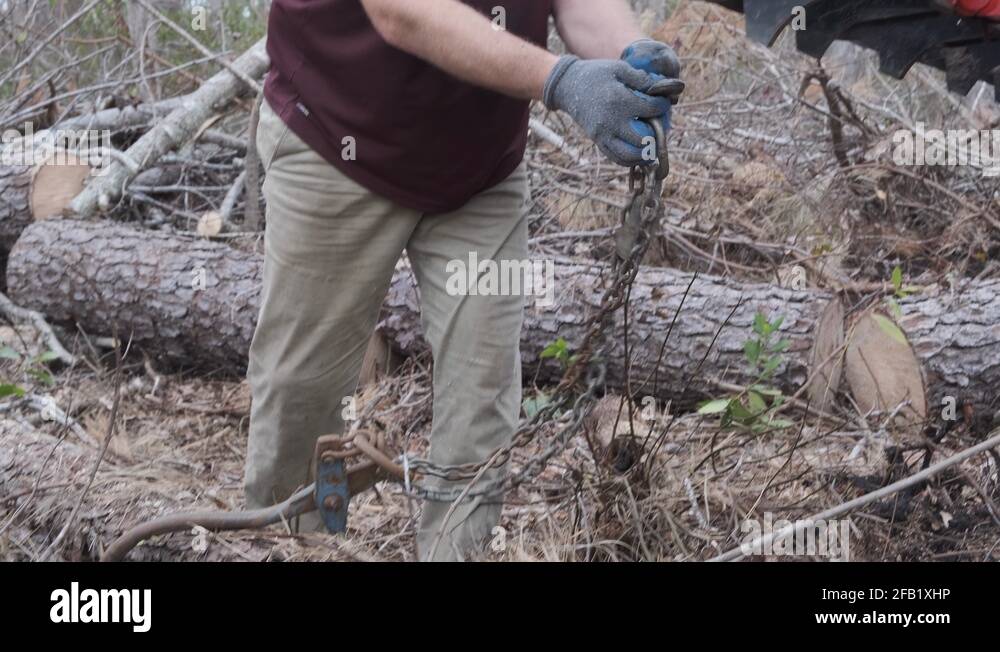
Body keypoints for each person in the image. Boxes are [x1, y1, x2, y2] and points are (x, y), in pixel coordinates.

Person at [245, 0, 682, 561]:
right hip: (334, 134)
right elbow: (401, 12)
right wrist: (563, 80)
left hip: (477, 168)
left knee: (482, 397)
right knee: (298, 392)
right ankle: (290, 547)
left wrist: (628, 63)